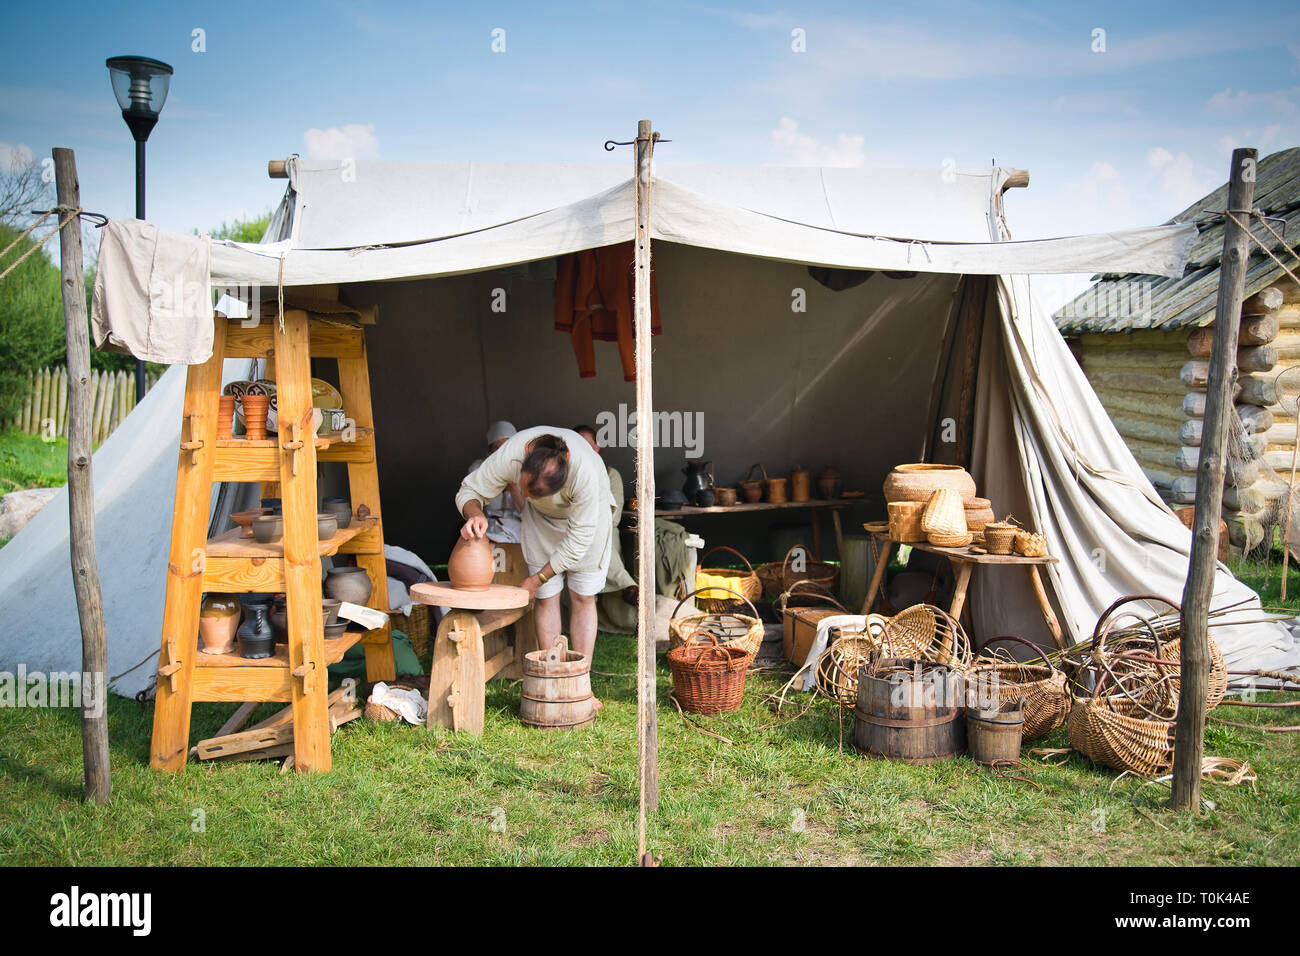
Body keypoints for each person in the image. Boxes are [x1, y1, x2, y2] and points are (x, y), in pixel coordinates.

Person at [456, 427, 616, 702]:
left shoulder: (586, 473)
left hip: (588, 521)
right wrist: (475, 514)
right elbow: (470, 489)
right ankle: (553, 679)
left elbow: (577, 543)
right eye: (525, 489)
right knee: (546, 597)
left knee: (583, 596)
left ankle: (581, 687)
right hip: (541, 521)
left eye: (536, 493)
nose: (526, 497)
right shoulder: (511, 454)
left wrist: (535, 578)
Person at [573, 424, 637, 606]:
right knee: (583, 536)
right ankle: (627, 585)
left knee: (598, 536)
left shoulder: (611, 474)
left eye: (587, 444)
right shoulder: (566, 475)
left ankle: (627, 587)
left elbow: (613, 517)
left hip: (603, 530)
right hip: (575, 531)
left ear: (597, 446)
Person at [465, 421, 523, 544]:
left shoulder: (525, 471)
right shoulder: (478, 469)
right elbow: (470, 501)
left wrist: (513, 489)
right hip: (488, 525)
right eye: (497, 448)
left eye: (507, 447)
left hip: (519, 529)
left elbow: (529, 515)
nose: (503, 452)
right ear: (489, 451)